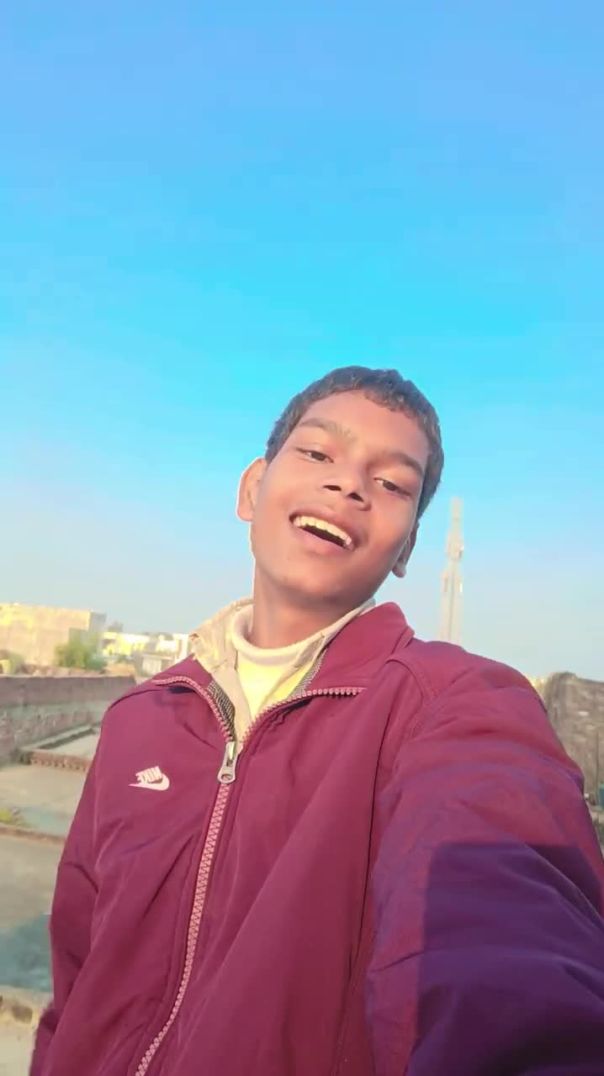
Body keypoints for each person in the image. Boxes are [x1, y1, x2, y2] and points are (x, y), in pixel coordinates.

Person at [32, 367, 604, 1075]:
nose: (349, 485)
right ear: (253, 488)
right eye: (317, 453)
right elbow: (77, 978)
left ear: (406, 549)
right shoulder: (140, 718)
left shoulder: (455, 705)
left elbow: (508, 937)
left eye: (391, 483)